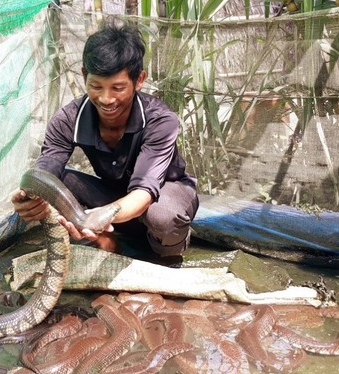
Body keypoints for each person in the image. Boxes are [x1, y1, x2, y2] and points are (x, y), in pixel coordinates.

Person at [11, 23, 199, 261]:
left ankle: (168, 252)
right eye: (96, 86)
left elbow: (143, 192)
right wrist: (28, 197)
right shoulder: (68, 119)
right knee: (53, 182)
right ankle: (105, 241)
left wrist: (97, 216)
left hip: (161, 194)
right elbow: (43, 172)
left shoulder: (160, 120)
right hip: (113, 199)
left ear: (139, 80)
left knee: (164, 217)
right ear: (84, 75)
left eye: (118, 88)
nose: (106, 99)